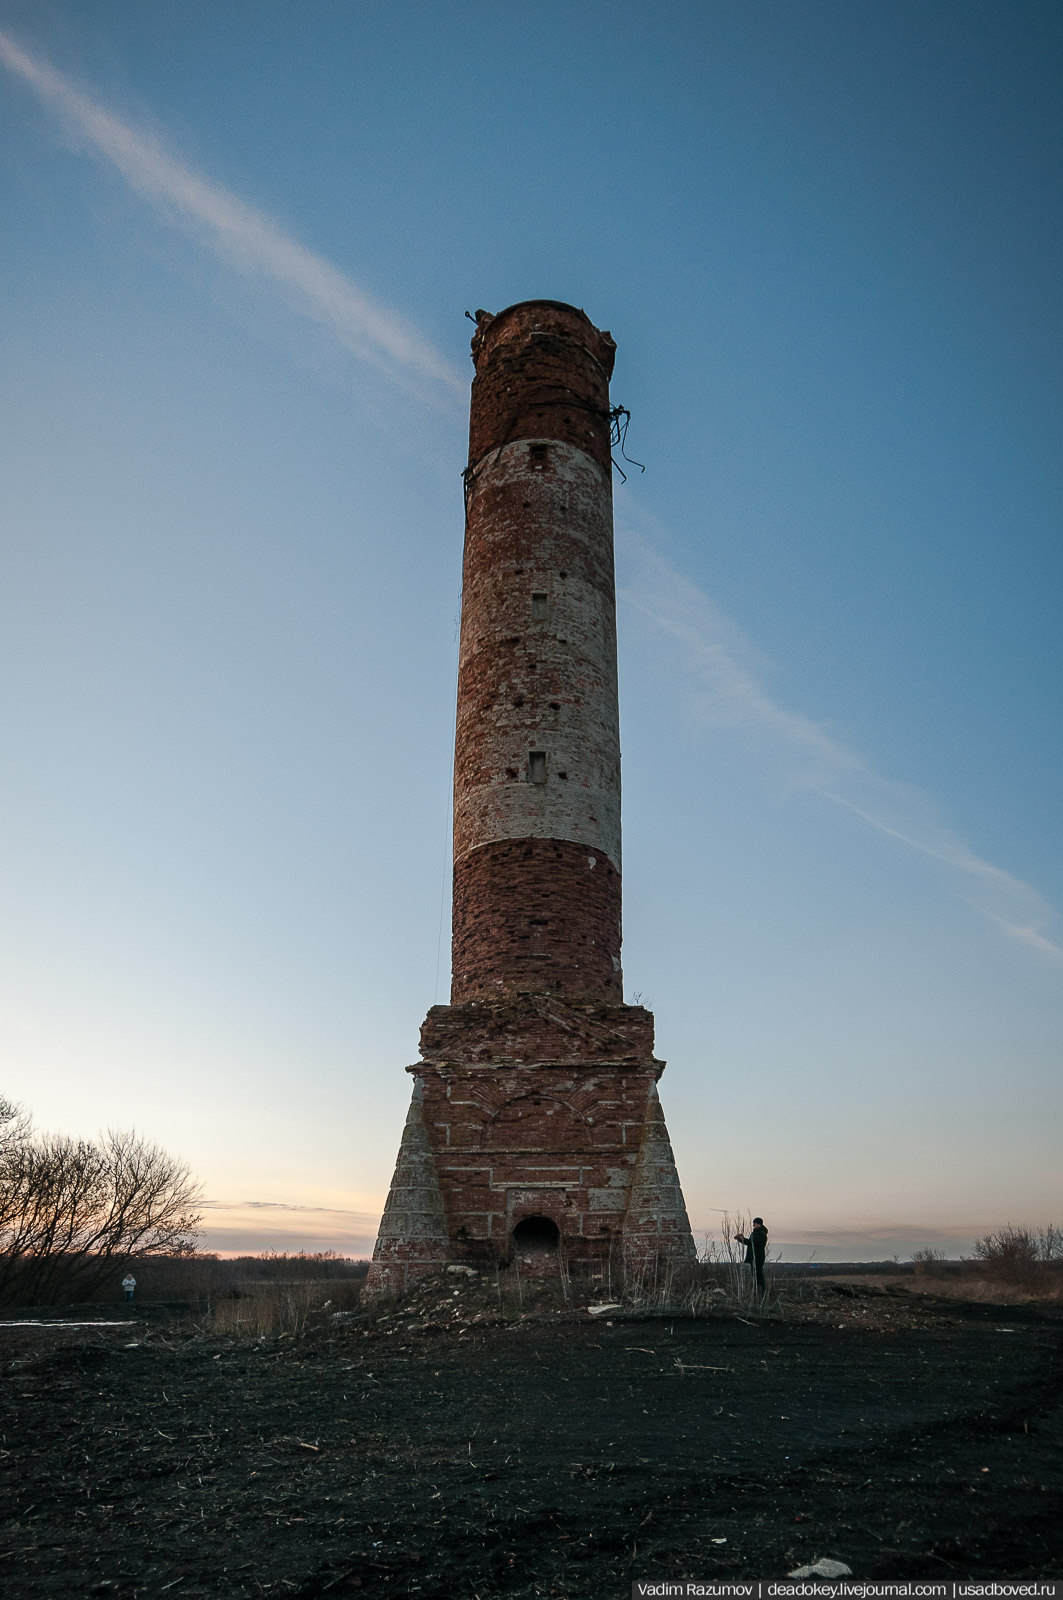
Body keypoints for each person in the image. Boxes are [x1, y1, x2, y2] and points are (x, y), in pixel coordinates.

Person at [735, 1217, 768, 1294]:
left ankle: (761, 1293)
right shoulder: (755, 1233)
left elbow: (753, 1243)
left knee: (758, 1276)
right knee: (755, 1276)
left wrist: (742, 1239)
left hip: (757, 1258)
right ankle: (757, 1292)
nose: (753, 1225)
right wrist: (741, 1239)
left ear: (758, 1224)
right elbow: (750, 1243)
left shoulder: (762, 1234)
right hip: (753, 1258)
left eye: (754, 1223)